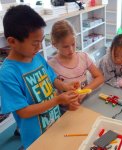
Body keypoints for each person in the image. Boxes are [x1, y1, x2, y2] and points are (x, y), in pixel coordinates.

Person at [0, 5, 80, 149]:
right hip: (36, 139)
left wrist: (65, 86)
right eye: (34, 43)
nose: (39, 47)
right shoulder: (7, 74)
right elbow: (23, 112)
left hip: (55, 124)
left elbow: (53, 79)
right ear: (12, 41)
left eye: (41, 41)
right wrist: (57, 100)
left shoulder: (36, 57)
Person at [48, 20, 104, 106]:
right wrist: (64, 103)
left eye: (73, 44)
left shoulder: (83, 57)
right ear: (55, 44)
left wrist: (85, 91)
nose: (71, 50)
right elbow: (51, 95)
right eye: (66, 46)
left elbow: (99, 77)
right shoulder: (51, 65)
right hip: (66, 109)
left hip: (86, 103)